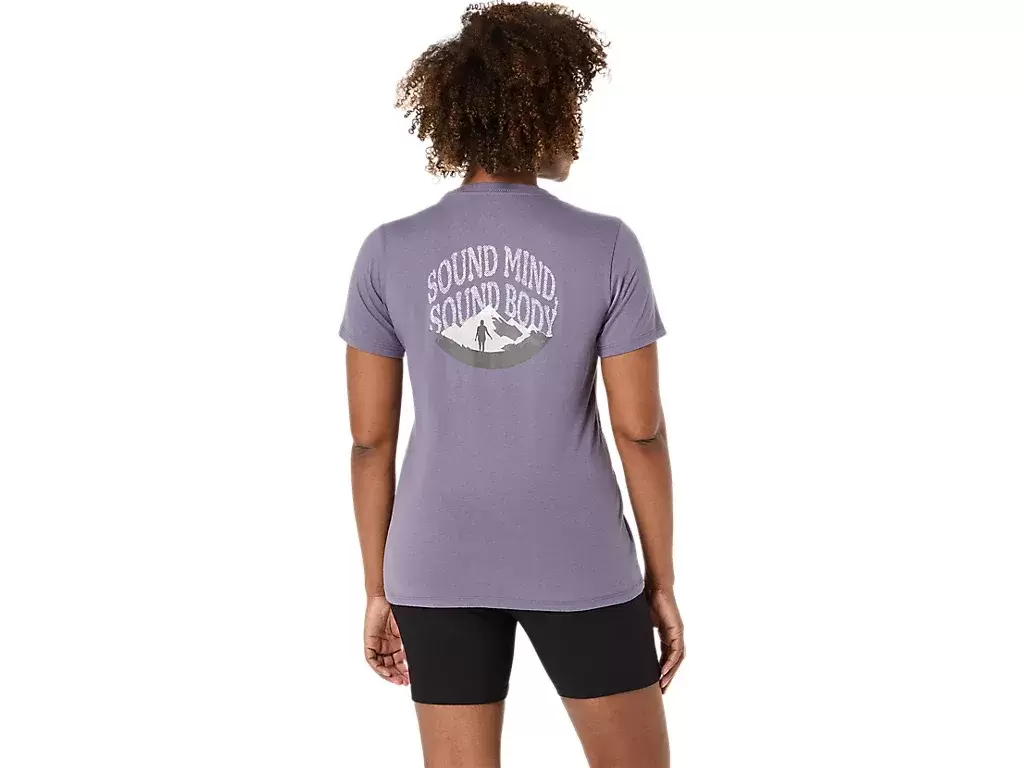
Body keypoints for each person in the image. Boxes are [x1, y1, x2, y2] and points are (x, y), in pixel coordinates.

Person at [339, 4, 684, 766]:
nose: (577, 131)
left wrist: (377, 586)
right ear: (544, 110)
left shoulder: (388, 252)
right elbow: (640, 431)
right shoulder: (608, 247)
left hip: (434, 560)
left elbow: (369, 442)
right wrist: (660, 582)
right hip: (581, 556)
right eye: (572, 107)